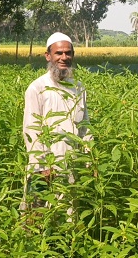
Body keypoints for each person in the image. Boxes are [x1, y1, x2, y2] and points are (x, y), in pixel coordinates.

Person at [20, 32, 93, 218]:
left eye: (68, 53)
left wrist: (90, 159)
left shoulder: (78, 87)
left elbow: (85, 127)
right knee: (36, 216)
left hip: (71, 166)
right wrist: (43, 165)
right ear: (48, 56)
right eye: (58, 53)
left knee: (67, 215)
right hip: (44, 168)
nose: (64, 57)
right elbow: (31, 129)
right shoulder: (37, 88)